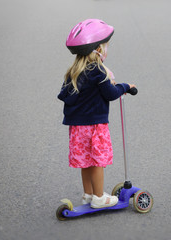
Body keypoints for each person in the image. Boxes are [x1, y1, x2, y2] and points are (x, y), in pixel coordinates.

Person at [58, 19, 136, 208]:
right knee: (97, 162)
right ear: (97, 50)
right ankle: (99, 198)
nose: (106, 49)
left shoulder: (73, 72)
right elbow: (110, 94)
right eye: (105, 46)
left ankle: (88, 194)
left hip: (77, 128)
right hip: (94, 126)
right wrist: (125, 87)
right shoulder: (99, 71)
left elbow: (67, 96)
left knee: (85, 162)